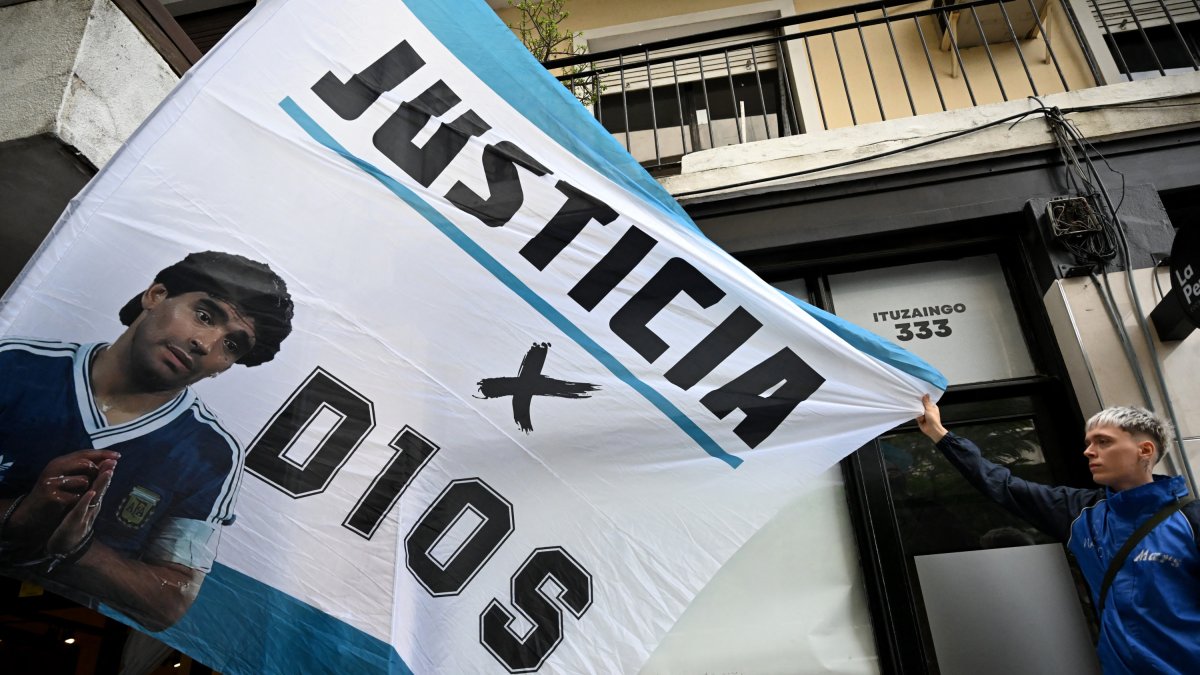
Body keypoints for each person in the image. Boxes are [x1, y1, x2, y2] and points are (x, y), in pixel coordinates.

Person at [0, 251, 293, 631]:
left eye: (232, 346)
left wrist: (79, 549)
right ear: (155, 295)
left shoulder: (211, 454)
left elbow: (172, 601)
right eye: (204, 316)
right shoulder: (14, 365)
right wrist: (19, 516)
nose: (206, 344)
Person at [916, 394, 1200, 674]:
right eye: (1088, 443)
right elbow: (1003, 485)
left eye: (1103, 442)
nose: (1088, 451)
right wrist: (940, 434)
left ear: (1145, 450)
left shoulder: (1190, 518)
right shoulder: (1080, 512)